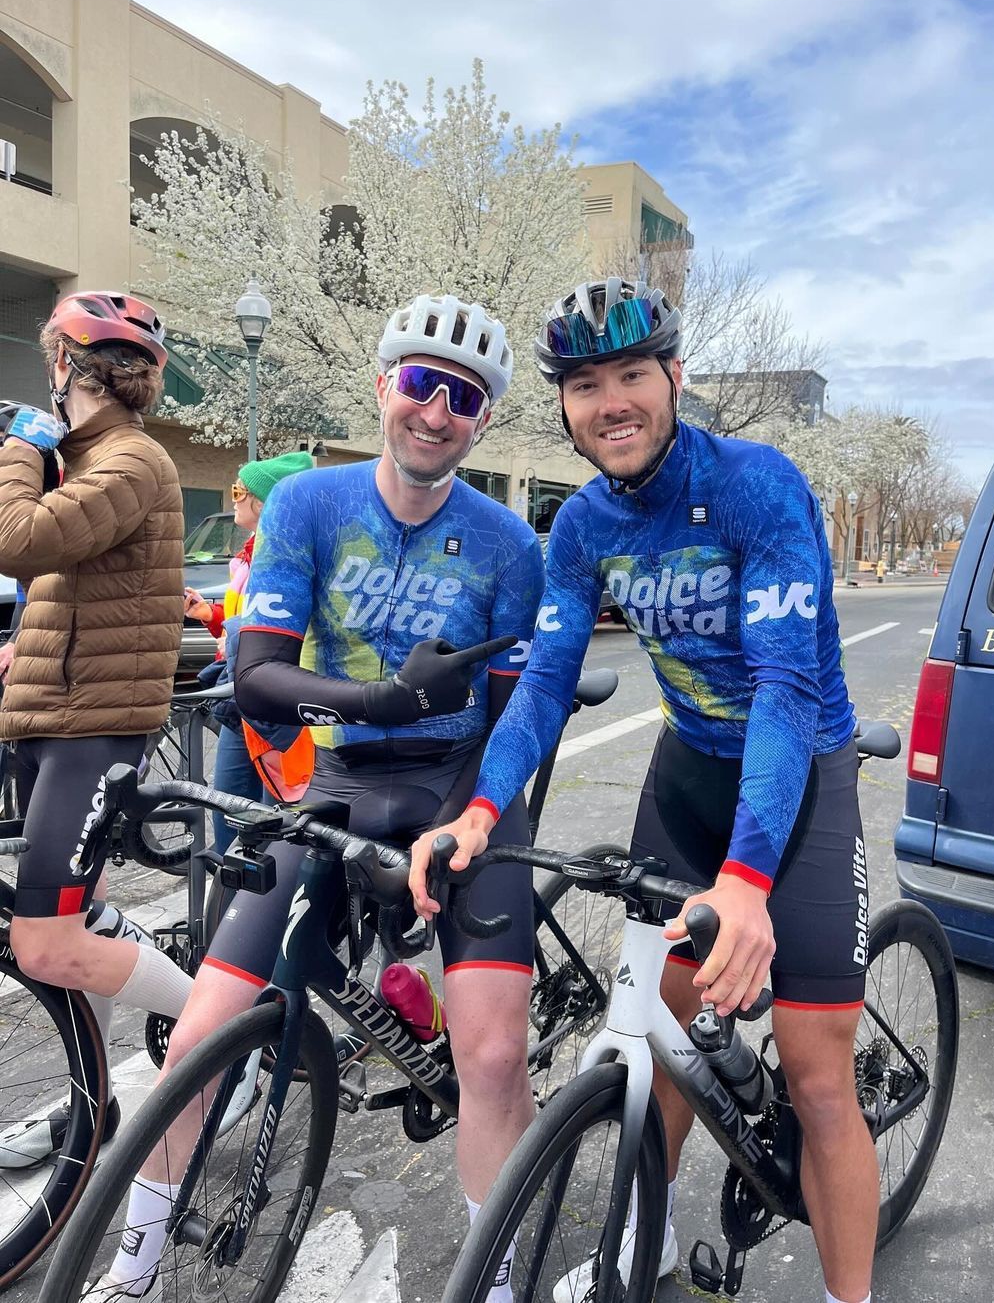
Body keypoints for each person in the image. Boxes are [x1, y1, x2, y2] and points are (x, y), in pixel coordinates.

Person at [412, 278, 877, 1303]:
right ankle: (649, 1238)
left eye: (632, 373)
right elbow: (541, 681)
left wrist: (748, 880)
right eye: (586, 384)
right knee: (662, 1038)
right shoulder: (579, 526)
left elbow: (788, 690)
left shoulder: (757, 485)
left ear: (674, 377)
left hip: (795, 780)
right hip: (684, 778)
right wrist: (482, 810)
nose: (612, 400)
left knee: (814, 1076)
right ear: (567, 406)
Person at [86, 294, 544, 1303]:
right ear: (385, 386)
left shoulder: (511, 545)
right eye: (421, 383)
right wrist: (378, 696)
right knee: (201, 1038)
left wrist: (478, 826)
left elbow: (521, 719)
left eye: (462, 398)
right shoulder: (309, 506)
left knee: (495, 1053)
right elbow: (256, 676)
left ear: (483, 421)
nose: (436, 412)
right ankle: (129, 1273)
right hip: (338, 782)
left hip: (458, 788)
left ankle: (498, 1282)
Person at [0, 293, 193, 1168]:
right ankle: (94, 1104)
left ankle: (218, 1028)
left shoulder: (131, 462)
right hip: (50, 717)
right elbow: (67, 589)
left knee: (43, 941)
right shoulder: (87, 461)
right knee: (80, 921)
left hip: (92, 728)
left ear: (66, 368)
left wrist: (17, 449)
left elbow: (16, 539)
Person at [181, 450, 314, 854]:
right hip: (243, 693)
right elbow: (251, 621)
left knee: (274, 812)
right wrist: (213, 615)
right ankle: (228, 899)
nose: (233, 497)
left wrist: (233, 633)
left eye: (239, 490)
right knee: (229, 807)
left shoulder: (287, 553)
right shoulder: (251, 552)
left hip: (271, 699)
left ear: (263, 502)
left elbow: (290, 627)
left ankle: (264, 903)